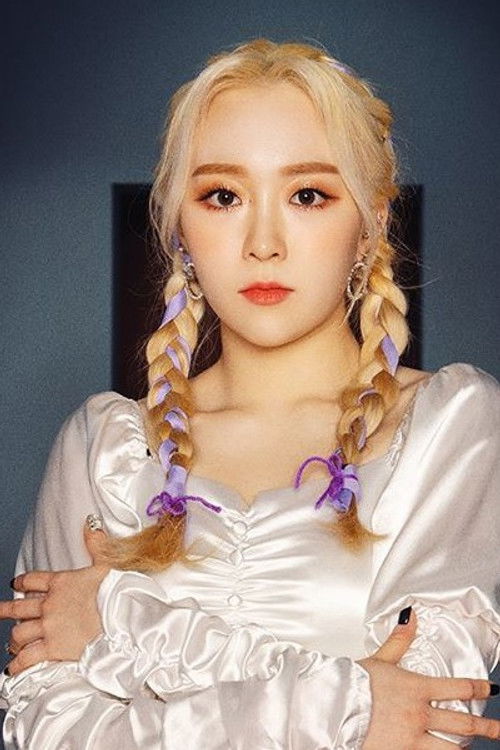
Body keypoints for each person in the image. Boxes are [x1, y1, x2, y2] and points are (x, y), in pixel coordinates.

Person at [1, 37, 499, 749]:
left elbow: (425, 719)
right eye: (223, 196)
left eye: (308, 195)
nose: (264, 242)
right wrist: (350, 700)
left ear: (371, 225)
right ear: (180, 226)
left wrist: (122, 619)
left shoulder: (451, 423)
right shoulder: (102, 445)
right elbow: (48, 729)